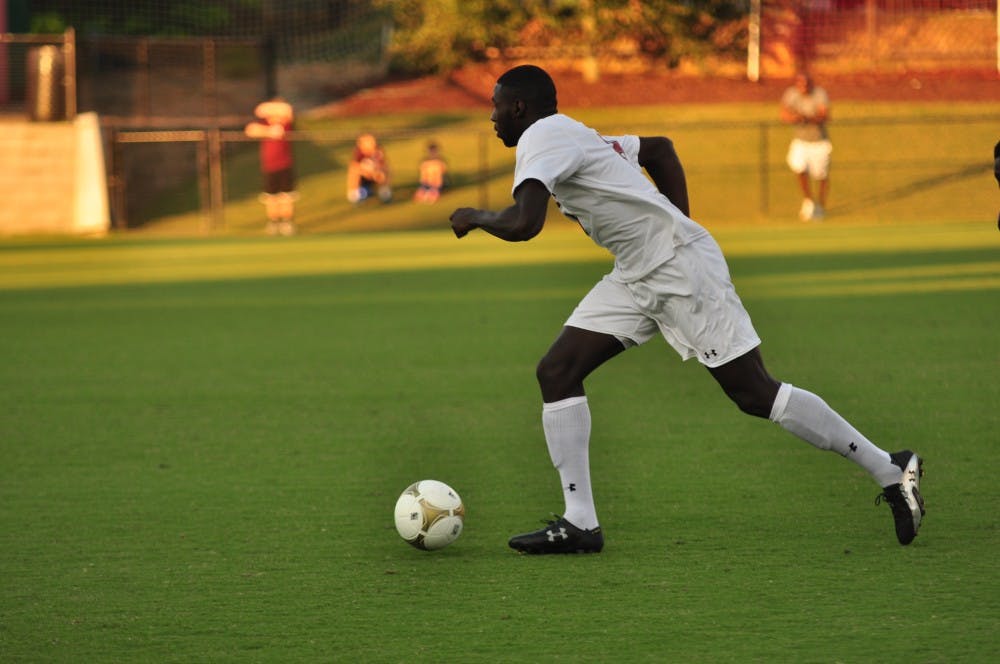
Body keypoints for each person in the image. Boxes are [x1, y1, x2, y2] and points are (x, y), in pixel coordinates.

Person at [449, 64, 924, 554]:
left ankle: (890, 468)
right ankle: (581, 523)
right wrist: (676, 221)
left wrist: (475, 216)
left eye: (496, 105)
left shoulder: (543, 136)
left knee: (754, 392)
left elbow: (525, 223)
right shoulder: (574, 134)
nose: (492, 116)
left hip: (678, 269)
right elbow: (660, 148)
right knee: (557, 370)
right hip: (638, 273)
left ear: (520, 108)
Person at [779, 72, 831, 221]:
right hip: (801, 141)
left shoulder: (819, 94)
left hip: (819, 141)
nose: (803, 87)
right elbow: (783, 114)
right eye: (800, 84)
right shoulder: (792, 94)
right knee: (799, 167)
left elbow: (824, 115)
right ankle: (808, 201)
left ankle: (820, 205)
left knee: (821, 175)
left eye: (806, 84)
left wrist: (807, 118)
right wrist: (794, 118)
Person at [244, 97, 297, 235]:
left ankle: (287, 222)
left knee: (286, 197)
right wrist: (268, 131)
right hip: (269, 166)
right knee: (271, 197)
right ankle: (273, 223)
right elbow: (251, 130)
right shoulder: (264, 123)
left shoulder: (286, 124)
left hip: (285, 164)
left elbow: (283, 124)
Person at [347, 133, 392, 204]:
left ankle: (384, 193)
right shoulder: (358, 153)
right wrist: (365, 172)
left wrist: (375, 172)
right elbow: (354, 166)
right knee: (354, 172)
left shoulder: (378, 151)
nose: (372, 143)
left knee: (384, 172)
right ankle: (354, 195)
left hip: (375, 175)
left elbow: (384, 166)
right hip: (364, 177)